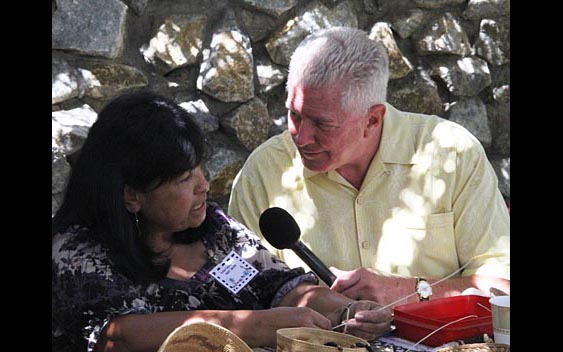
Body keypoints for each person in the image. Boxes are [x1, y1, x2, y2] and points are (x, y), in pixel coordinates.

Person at [51, 90, 392, 352]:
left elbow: (281, 287)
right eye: (184, 178)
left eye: (199, 167)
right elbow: (117, 336)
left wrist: (345, 311)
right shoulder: (77, 253)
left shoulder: (215, 230)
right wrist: (255, 326)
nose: (204, 184)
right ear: (131, 195)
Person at [228, 27, 510, 307]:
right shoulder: (264, 171)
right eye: (294, 115)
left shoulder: (452, 154)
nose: (301, 137)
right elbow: (241, 298)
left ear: (373, 119)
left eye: (322, 124)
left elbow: (500, 287)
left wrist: (407, 291)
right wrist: (319, 308)